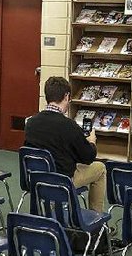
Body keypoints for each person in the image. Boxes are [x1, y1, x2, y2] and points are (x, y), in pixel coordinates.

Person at [24, 76, 106, 213]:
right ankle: (97, 217)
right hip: (62, 179)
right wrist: (92, 142)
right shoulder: (69, 125)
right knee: (100, 168)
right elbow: (88, 157)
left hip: (36, 177)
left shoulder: (31, 122)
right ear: (66, 96)